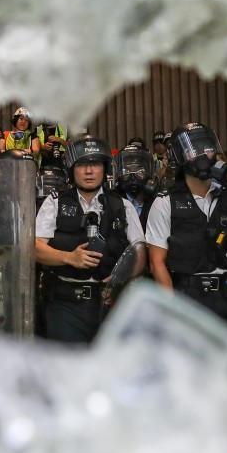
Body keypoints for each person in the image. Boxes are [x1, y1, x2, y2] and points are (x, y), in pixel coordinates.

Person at [34, 136, 145, 343]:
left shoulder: (122, 205)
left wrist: (122, 276)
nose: (88, 171)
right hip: (65, 306)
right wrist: (69, 258)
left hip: (111, 307)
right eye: (82, 164)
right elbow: (35, 247)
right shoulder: (55, 202)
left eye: (94, 164)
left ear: (104, 169)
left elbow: (140, 250)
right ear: (72, 169)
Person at [145, 122, 227, 330]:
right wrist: (172, 310)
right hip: (189, 300)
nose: (202, 155)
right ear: (181, 157)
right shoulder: (165, 203)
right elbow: (157, 262)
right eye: (193, 150)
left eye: (207, 149)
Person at [114, 144, 157, 229]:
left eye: (140, 171)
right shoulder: (113, 204)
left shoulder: (158, 203)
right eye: (126, 171)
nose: (132, 177)